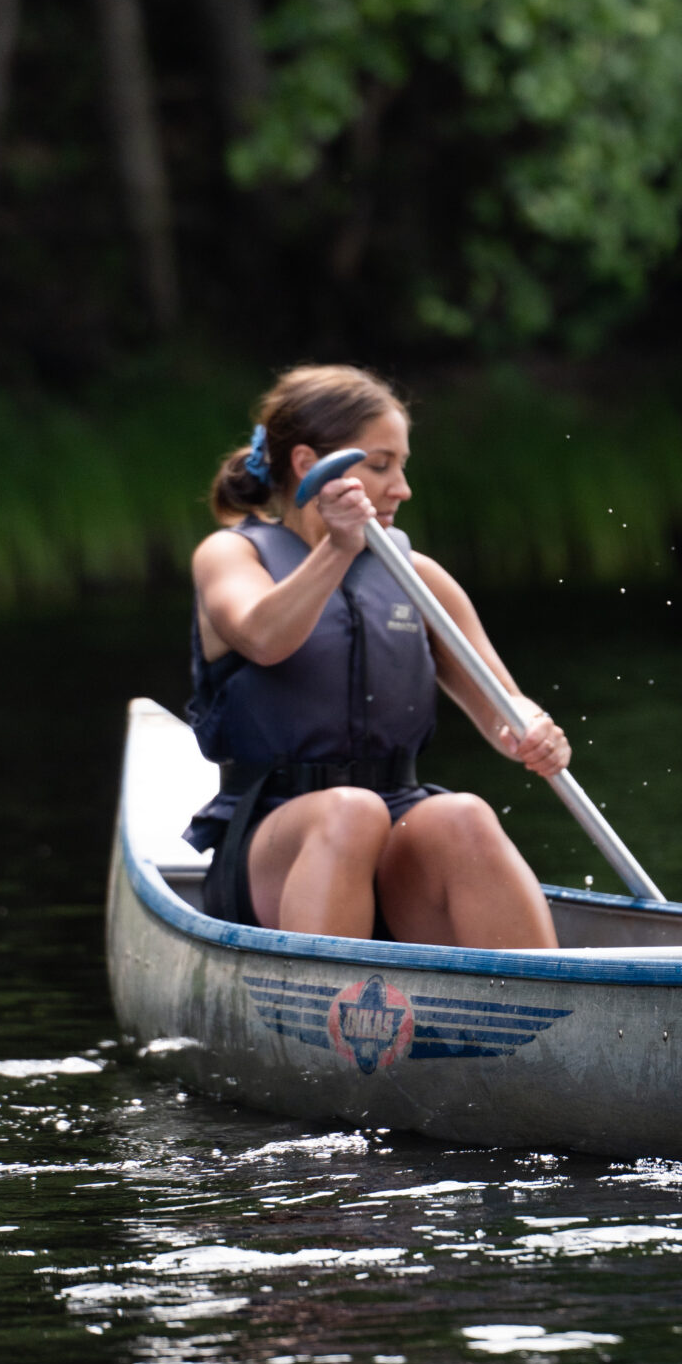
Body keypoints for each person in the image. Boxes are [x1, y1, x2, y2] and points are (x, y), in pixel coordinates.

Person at [184, 364, 568, 946]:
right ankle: (326, 1016)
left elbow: (505, 708)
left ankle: (548, 1018)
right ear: (311, 466)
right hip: (273, 842)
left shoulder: (419, 579)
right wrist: (337, 549)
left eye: (402, 466)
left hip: (397, 833)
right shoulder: (230, 556)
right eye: (380, 465)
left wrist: (534, 730)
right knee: (350, 811)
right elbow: (263, 638)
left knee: (461, 814)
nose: (402, 487)